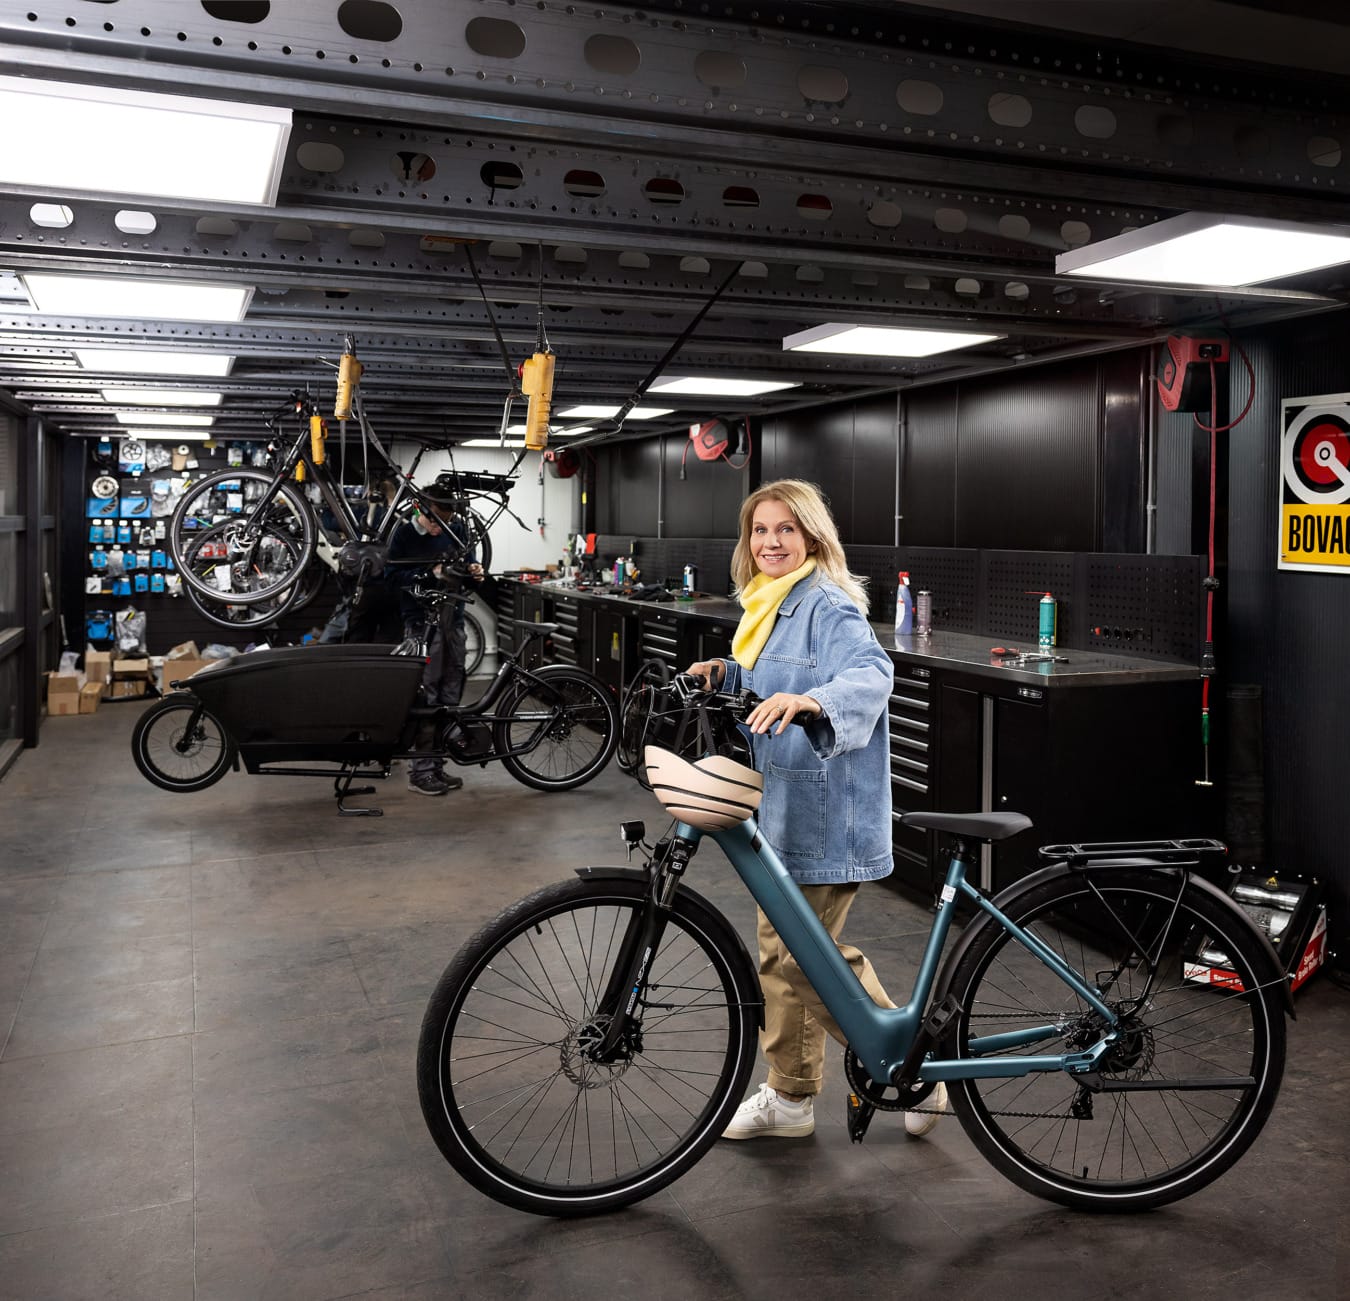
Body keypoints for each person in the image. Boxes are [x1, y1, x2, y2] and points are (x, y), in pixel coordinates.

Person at [686, 479, 945, 1140]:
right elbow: (773, 678)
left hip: (828, 816)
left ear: (811, 536)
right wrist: (726, 672)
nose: (771, 542)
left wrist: (814, 702)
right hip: (783, 810)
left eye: (786, 529)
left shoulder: (825, 602)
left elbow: (870, 673)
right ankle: (791, 1096)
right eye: (760, 530)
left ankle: (915, 1063)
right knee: (782, 956)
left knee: (805, 958)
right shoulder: (769, 603)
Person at [388, 499, 484, 795]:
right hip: (421, 625)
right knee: (426, 698)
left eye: (446, 522)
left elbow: (468, 576)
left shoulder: (456, 531)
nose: (439, 529)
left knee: (449, 697)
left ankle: (436, 765)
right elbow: (391, 579)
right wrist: (431, 573)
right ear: (421, 511)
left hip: (453, 621)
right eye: (435, 522)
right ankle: (421, 772)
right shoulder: (404, 535)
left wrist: (475, 573)